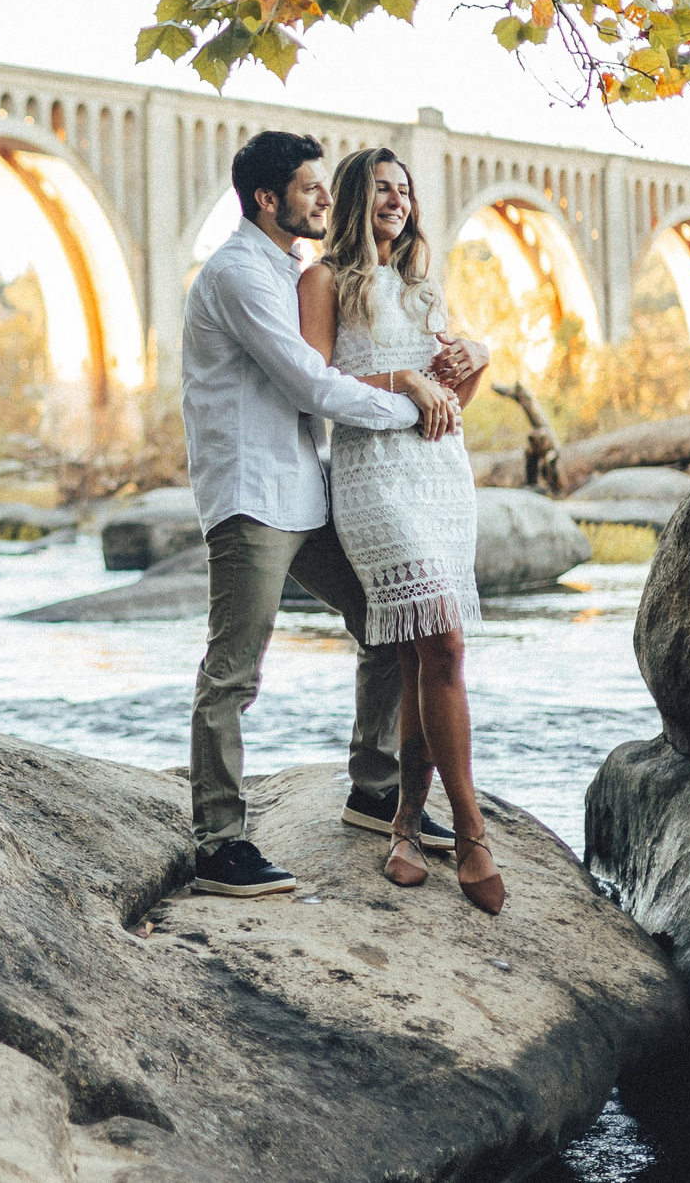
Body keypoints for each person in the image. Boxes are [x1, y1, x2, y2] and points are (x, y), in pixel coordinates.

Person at [182, 131, 466, 898]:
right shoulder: (239, 274)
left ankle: (374, 789)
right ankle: (218, 841)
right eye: (309, 186)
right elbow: (313, 384)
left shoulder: (295, 271)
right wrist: (410, 399)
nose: (322, 197)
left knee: (384, 621)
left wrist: (440, 374)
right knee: (233, 670)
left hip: (305, 489)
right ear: (268, 199)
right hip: (250, 495)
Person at [299, 145, 504, 914]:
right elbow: (313, 384)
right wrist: (402, 378)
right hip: (374, 478)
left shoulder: (422, 286)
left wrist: (472, 360)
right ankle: (475, 831)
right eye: (383, 188)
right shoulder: (324, 281)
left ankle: (408, 828)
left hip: (439, 473)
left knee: (429, 651)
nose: (397, 200)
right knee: (442, 642)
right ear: (357, 197)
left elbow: (453, 401)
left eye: (406, 190)